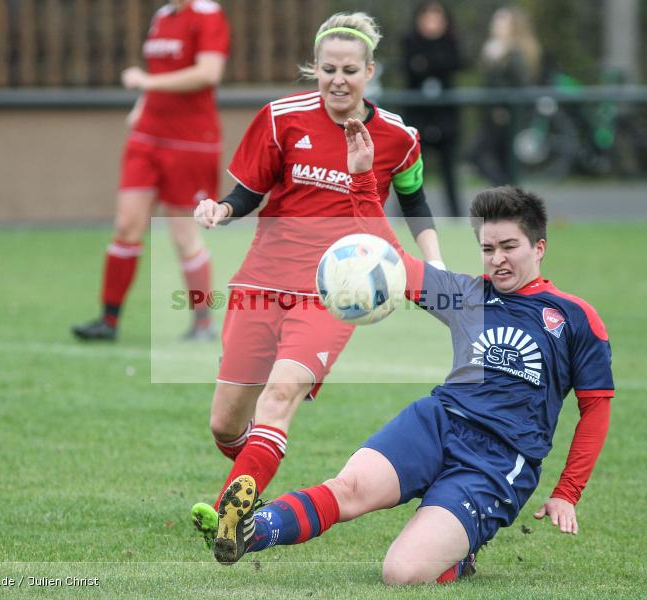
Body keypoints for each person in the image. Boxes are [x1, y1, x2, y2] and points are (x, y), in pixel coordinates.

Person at [211, 118, 614, 585]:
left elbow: (595, 410)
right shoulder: (467, 295)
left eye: (510, 246)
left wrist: (567, 492)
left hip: (498, 461)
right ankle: (251, 531)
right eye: (488, 248)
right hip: (438, 422)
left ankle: (459, 551)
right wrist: (362, 178)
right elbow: (392, 258)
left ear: (539, 246)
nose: (498, 259)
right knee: (349, 489)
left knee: (401, 573)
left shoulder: (576, 318)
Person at [188, 12, 446, 545]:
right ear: (315, 68)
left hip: (334, 294)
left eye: (349, 70)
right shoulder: (281, 119)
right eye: (327, 69)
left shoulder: (399, 137)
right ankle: (257, 461)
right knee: (224, 424)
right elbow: (247, 194)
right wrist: (222, 210)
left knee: (280, 394)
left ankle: (231, 517)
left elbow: (416, 201)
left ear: (369, 71)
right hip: (261, 281)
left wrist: (434, 262)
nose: (337, 80)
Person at [72, 0, 230, 341]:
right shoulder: (162, 16)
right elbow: (158, 75)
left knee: (183, 233)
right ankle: (108, 322)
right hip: (146, 139)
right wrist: (142, 103)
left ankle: (203, 323)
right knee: (127, 225)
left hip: (190, 142)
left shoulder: (207, 15)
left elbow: (209, 73)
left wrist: (147, 83)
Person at [401, 0, 465, 217]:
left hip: (445, 120)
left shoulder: (451, 42)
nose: (431, 23)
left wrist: (427, 63)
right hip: (418, 119)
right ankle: (404, 219)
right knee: (410, 173)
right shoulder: (410, 41)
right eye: (427, 18)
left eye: (436, 18)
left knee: (450, 174)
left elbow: (456, 63)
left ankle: (456, 218)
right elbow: (411, 68)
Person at [467, 7, 542, 187]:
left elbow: (517, 84)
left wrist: (502, 108)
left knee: (491, 159)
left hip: (508, 117)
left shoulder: (517, 53)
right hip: (492, 116)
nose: (495, 25)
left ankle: (508, 195)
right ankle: (506, 196)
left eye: (501, 22)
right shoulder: (494, 50)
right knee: (486, 159)